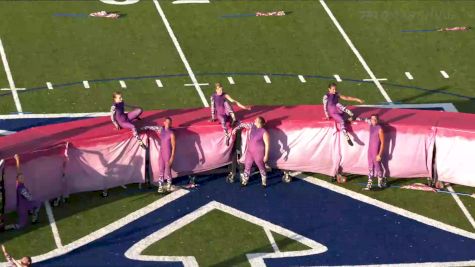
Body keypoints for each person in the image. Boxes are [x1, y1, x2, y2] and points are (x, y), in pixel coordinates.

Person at [4, 155, 40, 230]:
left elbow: (18, 171)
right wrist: (30, 195)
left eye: (22, 177)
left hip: (25, 204)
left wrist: (17, 160)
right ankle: (8, 227)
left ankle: (33, 217)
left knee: (38, 203)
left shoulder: (19, 183)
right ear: (18, 179)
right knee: (21, 225)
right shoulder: (21, 188)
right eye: (21, 177)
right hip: (22, 208)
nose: (22, 178)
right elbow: (29, 197)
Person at [232, 116, 270, 187]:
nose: (254, 120)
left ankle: (264, 181)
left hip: (259, 153)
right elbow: (242, 125)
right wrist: (235, 129)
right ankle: (245, 181)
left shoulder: (264, 132)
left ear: (259, 122)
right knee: (247, 165)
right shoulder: (252, 126)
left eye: (256, 120)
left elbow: (267, 144)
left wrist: (266, 155)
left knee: (261, 166)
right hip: (249, 152)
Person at [142, 117, 176, 193]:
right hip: (161, 153)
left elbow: (174, 146)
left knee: (168, 171)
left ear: (171, 124)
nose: (168, 123)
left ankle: (168, 185)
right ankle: (160, 186)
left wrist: (172, 157)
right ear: (164, 122)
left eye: (169, 122)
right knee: (161, 170)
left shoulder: (171, 133)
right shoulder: (161, 129)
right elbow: (152, 128)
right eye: (166, 122)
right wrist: (144, 127)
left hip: (168, 153)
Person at [358, 115, 386, 190]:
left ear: (377, 120)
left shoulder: (380, 129)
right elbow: (364, 119)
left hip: (375, 151)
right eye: (372, 119)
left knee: (377, 167)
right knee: (370, 167)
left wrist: (379, 154)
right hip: (370, 150)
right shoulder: (371, 126)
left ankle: (380, 184)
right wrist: (354, 118)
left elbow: (383, 143)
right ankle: (369, 185)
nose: (373, 120)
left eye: (375, 119)